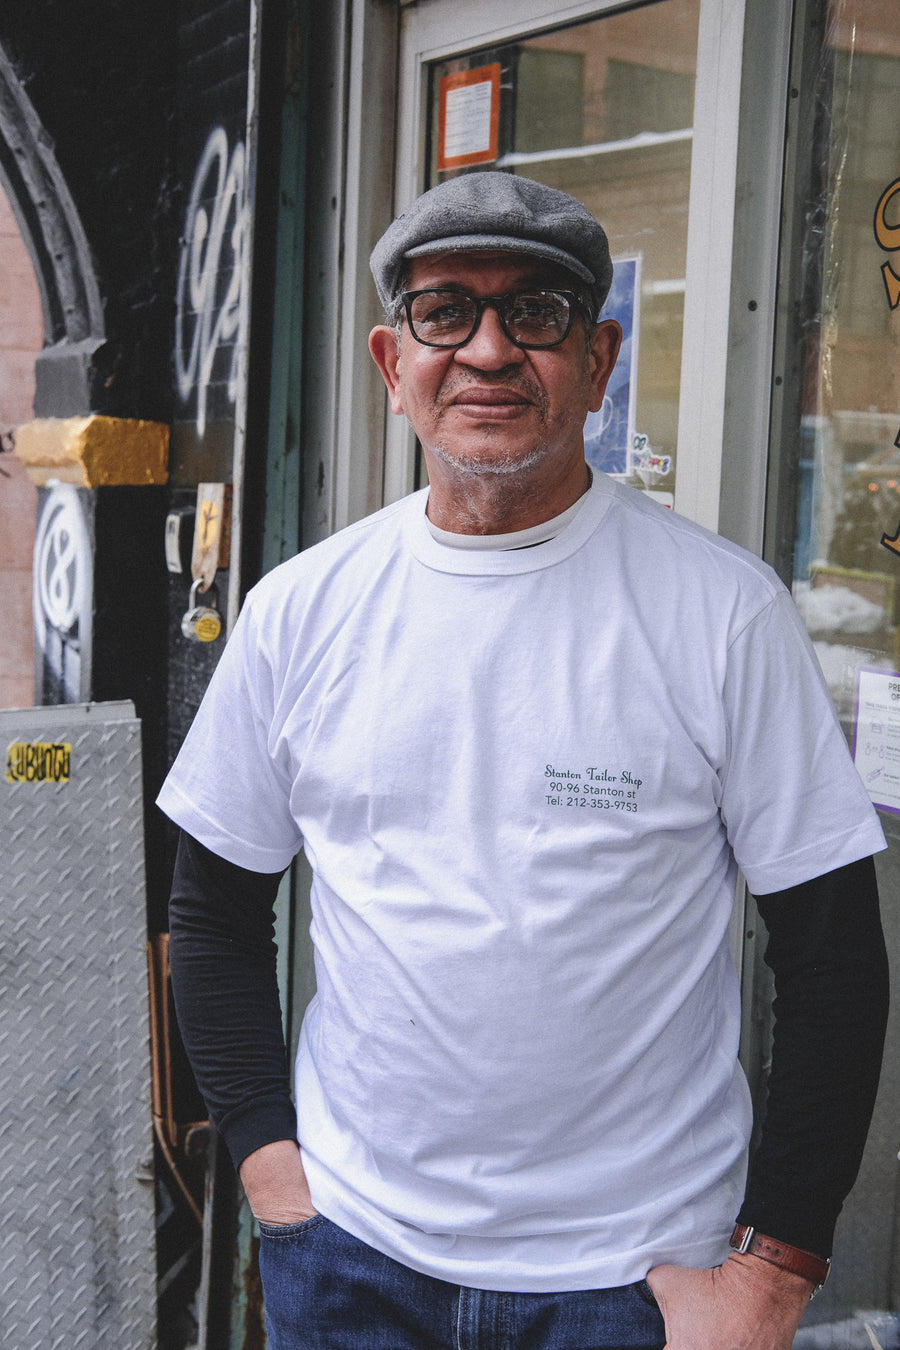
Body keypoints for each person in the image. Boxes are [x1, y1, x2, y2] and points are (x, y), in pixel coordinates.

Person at [158, 172, 889, 1350]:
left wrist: (777, 1267)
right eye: (447, 311)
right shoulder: (300, 612)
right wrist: (270, 1173)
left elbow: (835, 959)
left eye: (536, 312)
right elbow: (213, 910)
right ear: (394, 367)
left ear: (598, 362)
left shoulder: (723, 614)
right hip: (351, 1260)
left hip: (636, 1281)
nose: (489, 349)